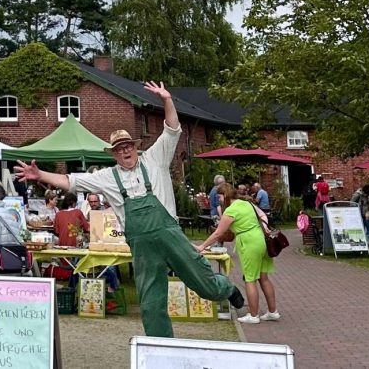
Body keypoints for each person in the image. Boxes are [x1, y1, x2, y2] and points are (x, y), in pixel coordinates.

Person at [15, 82, 244, 338]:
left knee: (205, 286)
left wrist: (167, 99)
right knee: (150, 303)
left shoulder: (155, 159)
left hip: (171, 235)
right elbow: (71, 181)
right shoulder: (107, 177)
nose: (125, 151)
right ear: (114, 154)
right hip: (143, 248)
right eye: (119, 149)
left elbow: (172, 129)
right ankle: (161, 351)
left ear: (135, 147)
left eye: (128, 146)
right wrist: (39, 174)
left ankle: (227, 288)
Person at [198, 184, 278, 324]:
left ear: (225, 195)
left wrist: (202, 246)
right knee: (263, 278)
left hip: (248, 243)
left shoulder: (231, 210)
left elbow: (218, 233)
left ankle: (253, 315)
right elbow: (262, 215)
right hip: (261, 240)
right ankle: (273, 312)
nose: (219, 200)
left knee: (250, 279)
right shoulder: (246, 203)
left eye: (220, 197)